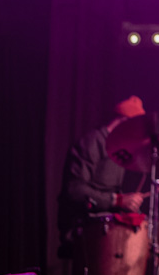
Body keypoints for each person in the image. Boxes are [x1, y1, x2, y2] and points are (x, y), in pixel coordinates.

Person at [57, 95, 146, 259]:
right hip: (85, 226)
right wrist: (118, 201)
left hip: (109, 228)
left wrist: (128, 203)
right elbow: (74, 190)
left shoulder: (118, 149)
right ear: (124, 121)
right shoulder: (92, 142)